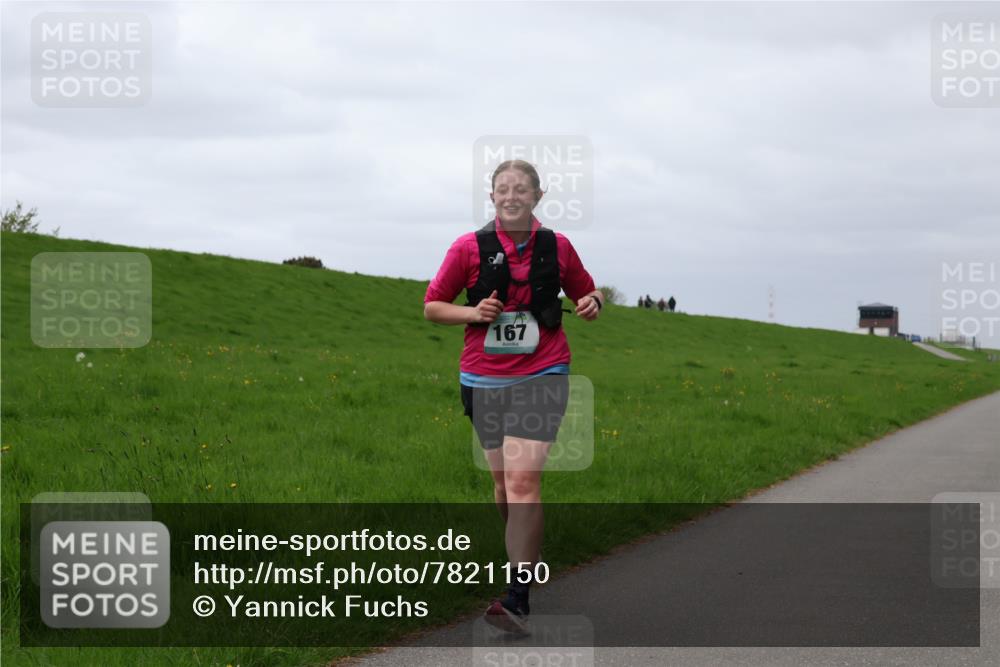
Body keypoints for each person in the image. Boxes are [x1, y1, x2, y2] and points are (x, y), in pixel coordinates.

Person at [424, 159, 602, 633]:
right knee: (504, 486)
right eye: (502, 189)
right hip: (483, 378)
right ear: (492, 198)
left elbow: (589, 291)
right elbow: (431, 306)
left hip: (543, 370)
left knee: (524, 483)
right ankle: (526, 547)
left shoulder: (558, 246)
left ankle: (517, 598)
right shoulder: (468, 247)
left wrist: (592, 302)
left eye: (520, 189)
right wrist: (471, 314)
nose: (511, 196)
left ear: (537, 196)